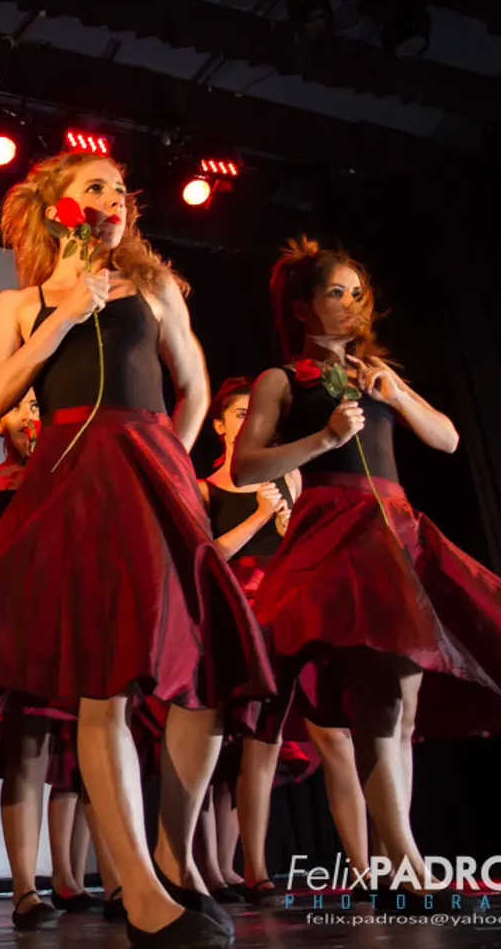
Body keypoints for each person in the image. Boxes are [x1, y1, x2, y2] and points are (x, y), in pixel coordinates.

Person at [0, 150, 276, 948]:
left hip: (151, 471)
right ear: (56, 206)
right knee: (104, 688)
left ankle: (170, 850)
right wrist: (62, 317)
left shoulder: (154, 286)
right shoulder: (18, 303)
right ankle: (138, 890)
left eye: (122, 189)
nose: (115, 198)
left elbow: (193, 387)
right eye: (95, 186)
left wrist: (173, 462)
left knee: (196, 676)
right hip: (69, 481)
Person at [232, 237, 501, 903]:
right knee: (380, 700)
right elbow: (249, 467)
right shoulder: (283, 379)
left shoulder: (373, 373)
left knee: (403, 705)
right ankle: (405, 862)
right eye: (337, 292)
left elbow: (447, 439)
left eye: (358, 293)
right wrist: (325, 440)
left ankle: (399, 862)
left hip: (397, 532)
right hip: (340, 536)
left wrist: (397, 393)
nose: (352, 305)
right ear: (303, 307)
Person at [190, 378, 344, 908]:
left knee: (257, 747)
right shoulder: (205, 487)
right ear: (219, 425)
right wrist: (258, 516)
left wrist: (287, 522)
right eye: (236, 415)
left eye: (252, 416)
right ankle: (206, 868)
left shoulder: (290, 477)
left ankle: (235, 868)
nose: (244, 423)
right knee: (215, 750)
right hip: (231, 618)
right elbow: (205, 559)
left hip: (282, 613)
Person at [0, 390, 96, 929]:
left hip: (67, 618)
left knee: (82, 758)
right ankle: (23, 888)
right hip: (14, 625)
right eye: (23, 409)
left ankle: (72, 877)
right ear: (1, 421)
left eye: (41, 408)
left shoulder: (68, 473)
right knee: (28, 752)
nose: (32, 419)